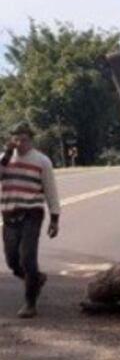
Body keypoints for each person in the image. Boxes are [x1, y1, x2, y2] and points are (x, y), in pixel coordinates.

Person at [1, 122, 60, 318]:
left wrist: (54, 218)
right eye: (16, 139)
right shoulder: (4, 160)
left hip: (31, 214)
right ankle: (36, 279)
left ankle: (30, 303)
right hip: (9, 215)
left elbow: (51, 190)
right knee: (12, 262)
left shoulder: (42, 161)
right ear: (11, 140)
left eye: (24, 139)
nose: (20, 143)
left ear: (31, 140)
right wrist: (6, 157)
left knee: (27, 258)